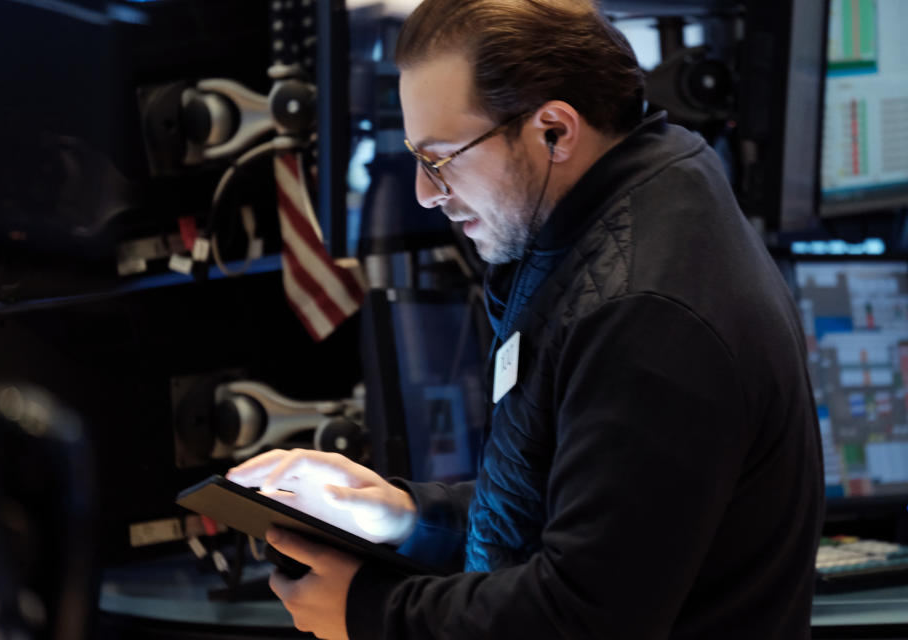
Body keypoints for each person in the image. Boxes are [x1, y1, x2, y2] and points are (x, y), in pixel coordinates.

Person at [228, 0, 825, 638]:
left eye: (441, 158)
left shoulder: (644, 314)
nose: (426, 194)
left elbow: (580, 616)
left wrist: (367, 613)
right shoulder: (621, 214)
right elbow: (568, 511)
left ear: (555, 131)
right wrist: (402, 515)